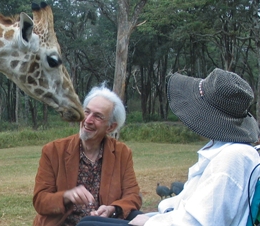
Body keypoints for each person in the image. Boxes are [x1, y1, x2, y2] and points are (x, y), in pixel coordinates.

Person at [76, 68, 260, 226]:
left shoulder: (232, 158)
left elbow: (199, 222)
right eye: (87, 113)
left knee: (88, 225)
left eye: (98, 116)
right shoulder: (224, 149)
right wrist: (125, 211)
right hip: (171, 217)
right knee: (91, 221)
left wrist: (149, 221)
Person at [32, 84, 142, 226]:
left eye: (98, 116)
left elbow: (133, 196)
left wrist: (112, 209)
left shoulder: (122, 153)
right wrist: (66, 196)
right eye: (87, 112)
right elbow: (40, 201)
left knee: (140, 218)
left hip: (103, 223)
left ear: (111, 127)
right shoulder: (53, 151)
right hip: (64, 224)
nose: (88, 120)